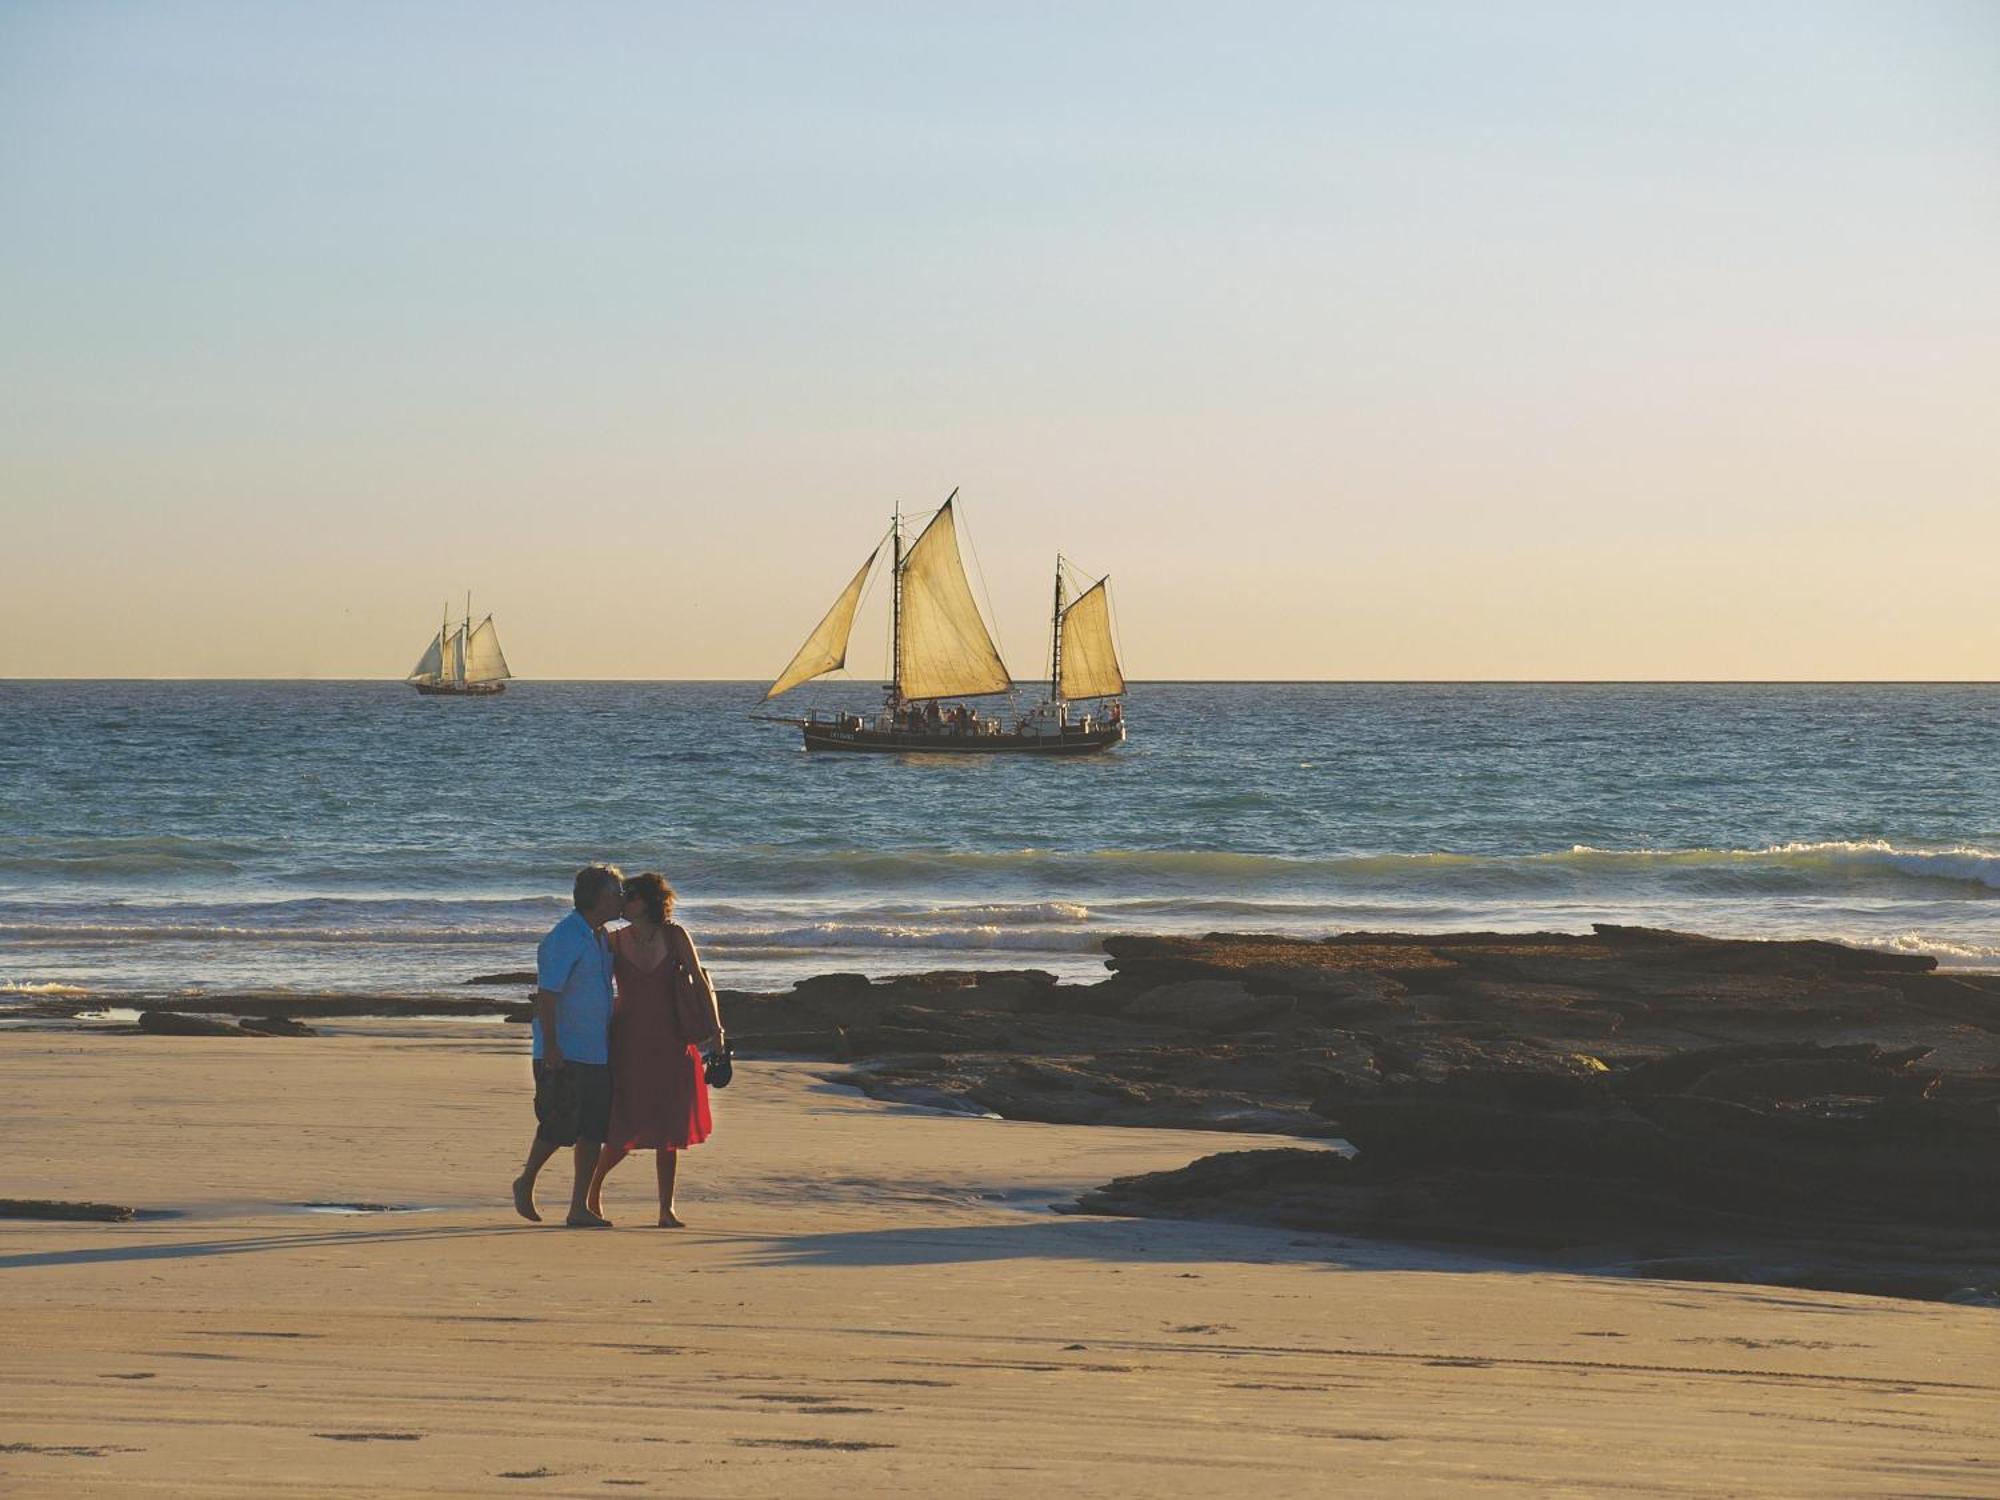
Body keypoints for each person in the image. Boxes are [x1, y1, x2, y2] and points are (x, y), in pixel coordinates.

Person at [585, 872, 721, 1227]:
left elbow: (702, 983)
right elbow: (592, 985)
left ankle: (666, 1208)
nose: (622, 903)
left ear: (644, 902)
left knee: (669, 1124)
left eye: (627, 897)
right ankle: (593, 1189)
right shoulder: (612, 940)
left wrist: (717, 1030)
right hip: (628, 1040)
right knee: (626, 1123)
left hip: (673, 1038)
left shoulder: (674, 935)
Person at [511, 864, 623, 1228]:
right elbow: (547, 996)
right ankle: (527, 1179)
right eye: (617, 893)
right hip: (565, 1048)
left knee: (593, 1130)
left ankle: (578, 1207)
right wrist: (552, 1047)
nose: (621, 899)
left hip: (597, 1048)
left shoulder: (601, 937)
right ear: (601, 898)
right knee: (560, 1124)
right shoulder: (565, 936)